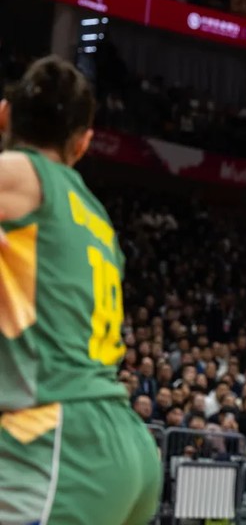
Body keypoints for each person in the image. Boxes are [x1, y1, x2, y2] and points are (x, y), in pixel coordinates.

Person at [0, 56, 161, 524]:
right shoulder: (96, 218)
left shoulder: (21, 173)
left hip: (60, 440)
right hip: (121, 439)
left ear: (6, 116)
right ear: (84, 142)